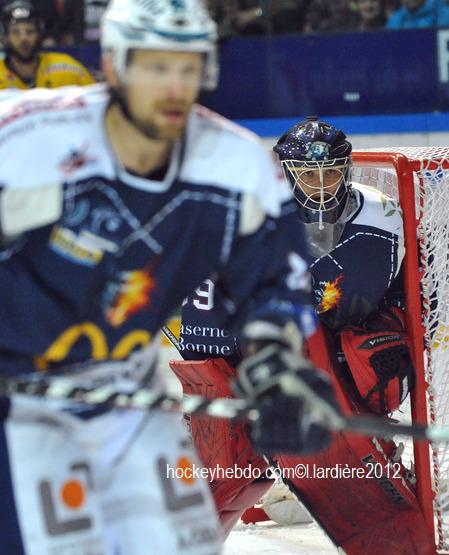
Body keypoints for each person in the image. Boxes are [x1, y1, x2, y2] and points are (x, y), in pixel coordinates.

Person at [0, 0, 338, 553]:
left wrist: (278, 366)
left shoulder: (234, 165)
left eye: (188, 66)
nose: (175, 86)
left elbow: (273, 283)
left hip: (129, 394)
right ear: (113, 65)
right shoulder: (27, 139)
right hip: (17, 402)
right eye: (156, 67)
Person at [175, 116, 414, 537]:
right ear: (287, 176)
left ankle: (347, 467)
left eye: (330, 172)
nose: (321, 184)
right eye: (308, 175)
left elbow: (373, 293)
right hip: (248, 353)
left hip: (335, 349)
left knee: (371, 359)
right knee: (226, 471)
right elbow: (202, 313)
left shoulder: (380, 213)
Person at [0, 1, 95, 89]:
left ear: (39, 35)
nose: (24, 38)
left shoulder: (67, 67)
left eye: (30, 31)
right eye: (16, 32)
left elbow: (96, 98)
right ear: (5, 38)